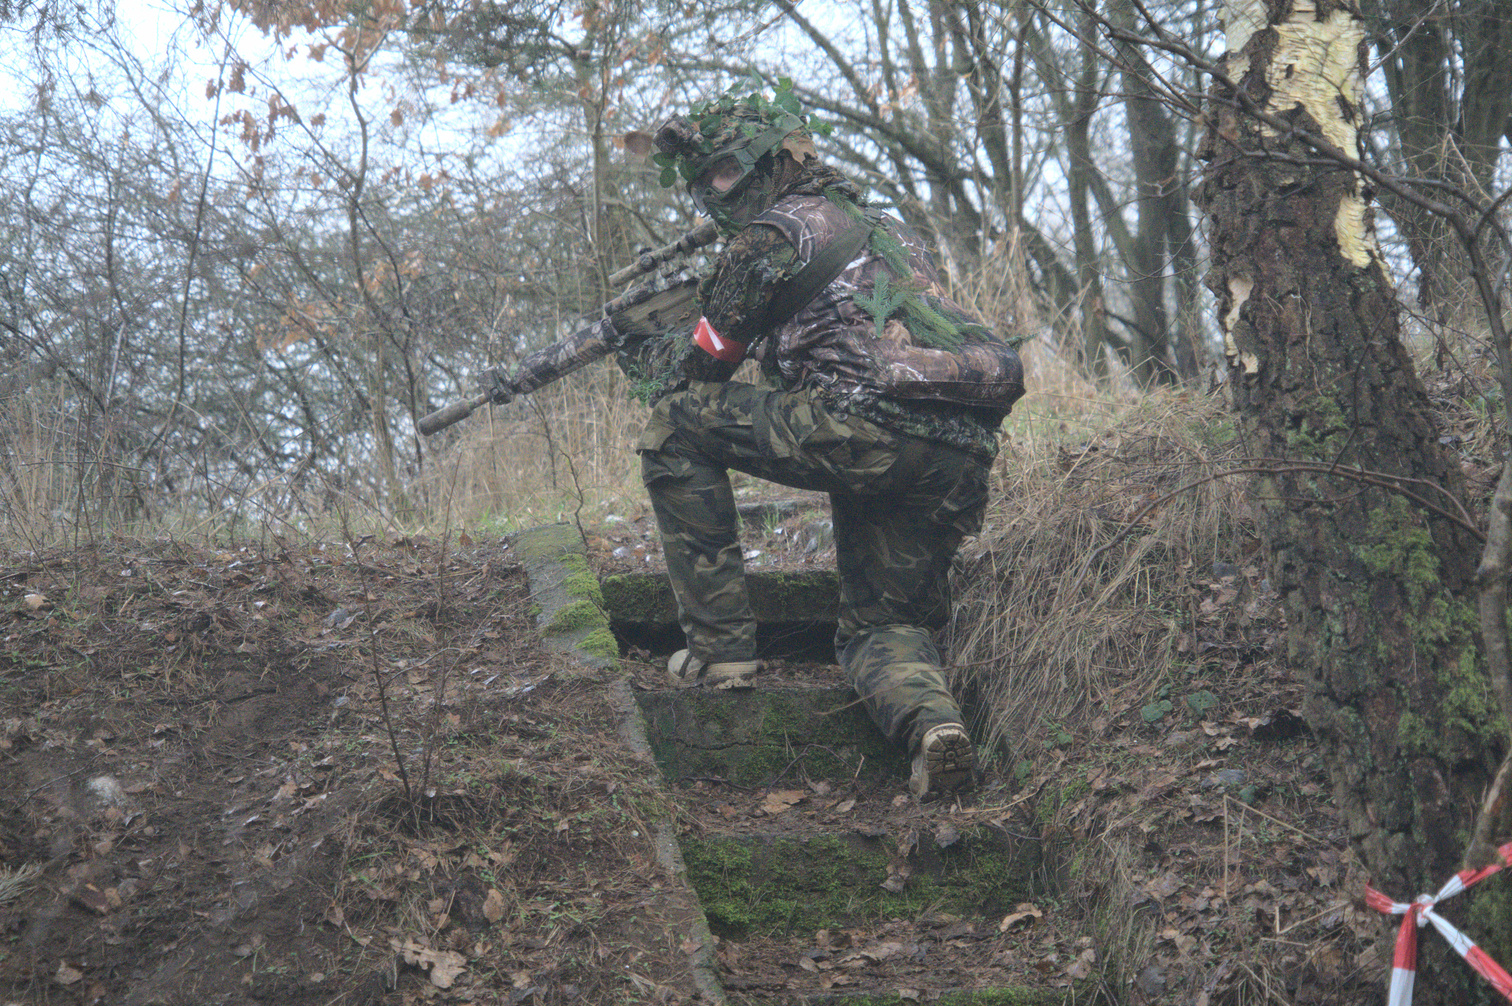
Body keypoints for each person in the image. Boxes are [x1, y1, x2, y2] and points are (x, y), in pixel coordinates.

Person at [483, 85, 1024, 798]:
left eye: (727, 171)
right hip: (956, 450)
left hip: (864, 431)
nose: (716, 189)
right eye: (705, 178)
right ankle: (934, 728)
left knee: (676, 425)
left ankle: (720, 651)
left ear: (772, 162)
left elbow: (703, 370)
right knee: (881, 624)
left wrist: (640, 349)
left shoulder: (768, 238)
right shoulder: (879, 225)